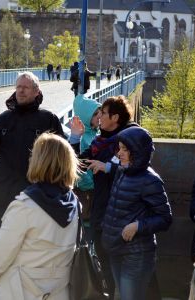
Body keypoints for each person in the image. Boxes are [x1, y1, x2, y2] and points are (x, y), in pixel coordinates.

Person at [0, 71, 64, 299]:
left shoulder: (48, 120)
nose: (21, 91)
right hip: (4, 196)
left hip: (36, 197)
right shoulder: (4, 119)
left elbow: (62, 155)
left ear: (37, 92)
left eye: (26, 87)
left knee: (29, 251)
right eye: (18, 87)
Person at [0, 133, 79, 300]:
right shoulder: (74, 204)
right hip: (60, 291)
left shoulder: (25, 207)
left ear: (39, 161)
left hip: (18, 290)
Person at [70, 95, 137, 297]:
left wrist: (108, 167)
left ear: (115, 117)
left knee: (123, 272)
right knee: (105, 264)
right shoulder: (101, 141)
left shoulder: (131, 138)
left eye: (103, 113)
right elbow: (78, 165)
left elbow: (137, 171)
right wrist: (75, 138)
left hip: (123, 214)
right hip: (102, 211)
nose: (99, 116)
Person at [101, 126, 172, 300]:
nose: (119, 153)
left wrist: (138, 226)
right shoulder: (122, 171)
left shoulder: (151, 181)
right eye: (119, 148)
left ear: (138, 152)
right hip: (116, 248)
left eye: (125, 149)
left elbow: (165, 218)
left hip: (137, 254)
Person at [72, 94, 101, 223]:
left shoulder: (96, 133)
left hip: (95, 187)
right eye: (95, 115)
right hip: (87, 191)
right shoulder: (83, 138)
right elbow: (78, 169)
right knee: (87, 221)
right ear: (86, 118)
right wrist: (91, 185)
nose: (99, 117)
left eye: (100, 113)